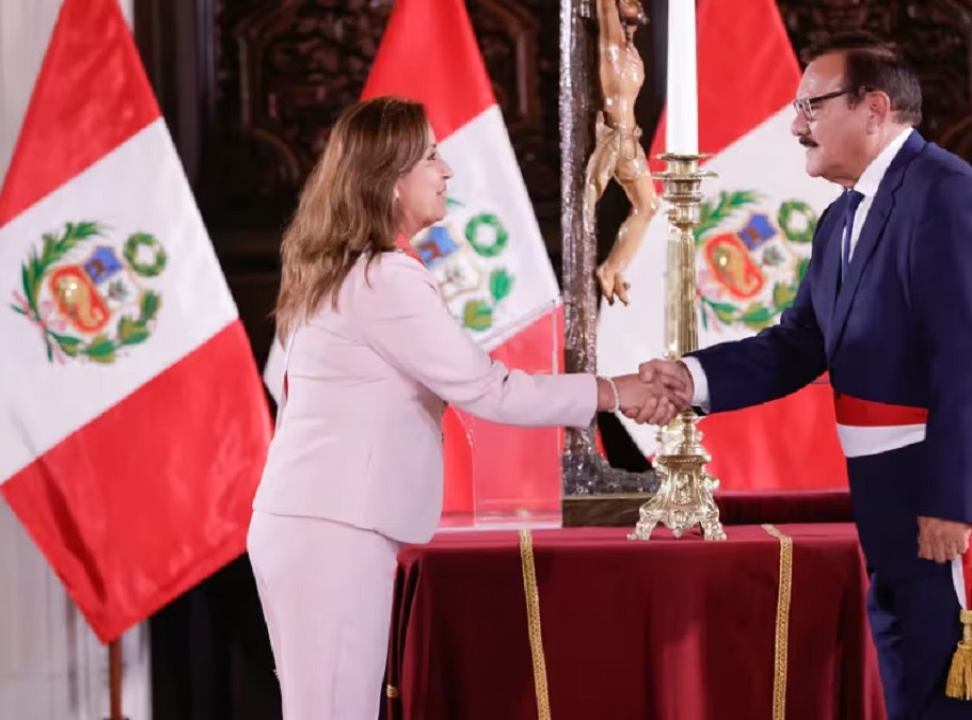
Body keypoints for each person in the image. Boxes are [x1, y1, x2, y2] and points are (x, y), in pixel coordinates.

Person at [640, 33, 972, 719]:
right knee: (913, 699)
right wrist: (689, 380)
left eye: (812, 105)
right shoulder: (843, 216)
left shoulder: (946, 198)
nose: (796, 124)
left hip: (959, 496)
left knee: (955, 706)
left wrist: (954, 501)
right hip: (893, 497)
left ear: (875, 109)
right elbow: (798, 345)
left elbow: (971, 360)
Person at [247, 96, 678, 719]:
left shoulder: (333, 268)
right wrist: (612, 392)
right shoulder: (383, 279)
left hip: (313, 521)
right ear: (388, 180)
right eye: (429, 157)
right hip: (331, 530)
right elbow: (487, 390)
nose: (445, 171)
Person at [584, 0, 660, 306]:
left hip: (630, 141)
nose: (637, 4)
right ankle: (602, 268)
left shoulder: (632, 51)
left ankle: (612, 267)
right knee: (585, 206)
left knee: (649, 206)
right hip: (613, 140)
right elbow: (604, 10)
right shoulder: (612, 47)